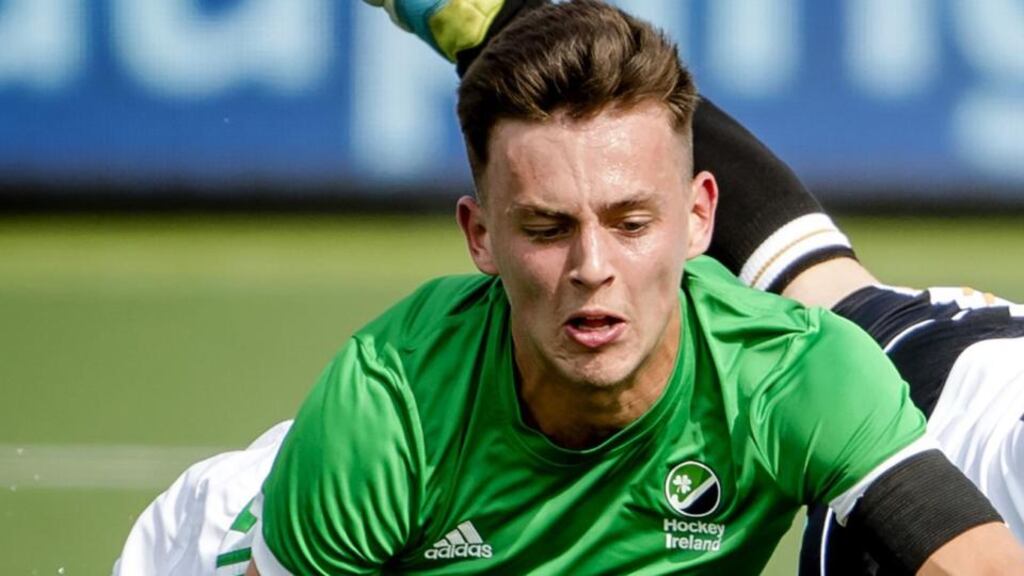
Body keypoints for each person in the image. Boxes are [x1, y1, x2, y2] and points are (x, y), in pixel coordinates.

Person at [113, 1, 1024, 575]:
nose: (592, 268)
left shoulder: (798, 378)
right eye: (549, 228)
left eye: (631, 224)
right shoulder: (385, 415)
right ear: (480, 236)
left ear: (701, 219)